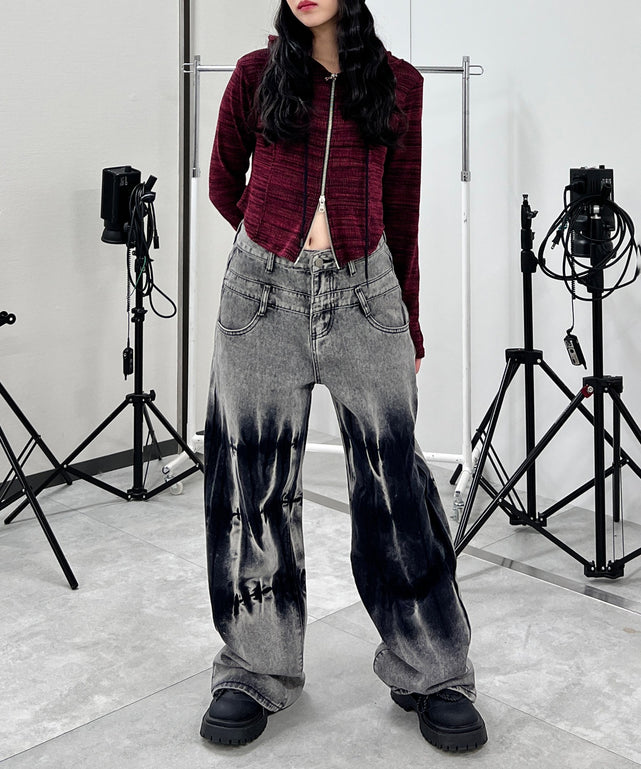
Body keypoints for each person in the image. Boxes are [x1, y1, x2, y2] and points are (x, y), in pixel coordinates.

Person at [200, 0, 487, 753]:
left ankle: (434, 670)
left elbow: (403, 211)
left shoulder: (399, 83)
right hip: (260, 300)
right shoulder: (256, 73)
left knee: (395, 488)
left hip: (369, 297)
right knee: (252, 483)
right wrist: (272, 245)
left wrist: (408, 322)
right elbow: (223, 180)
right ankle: (255, 669)